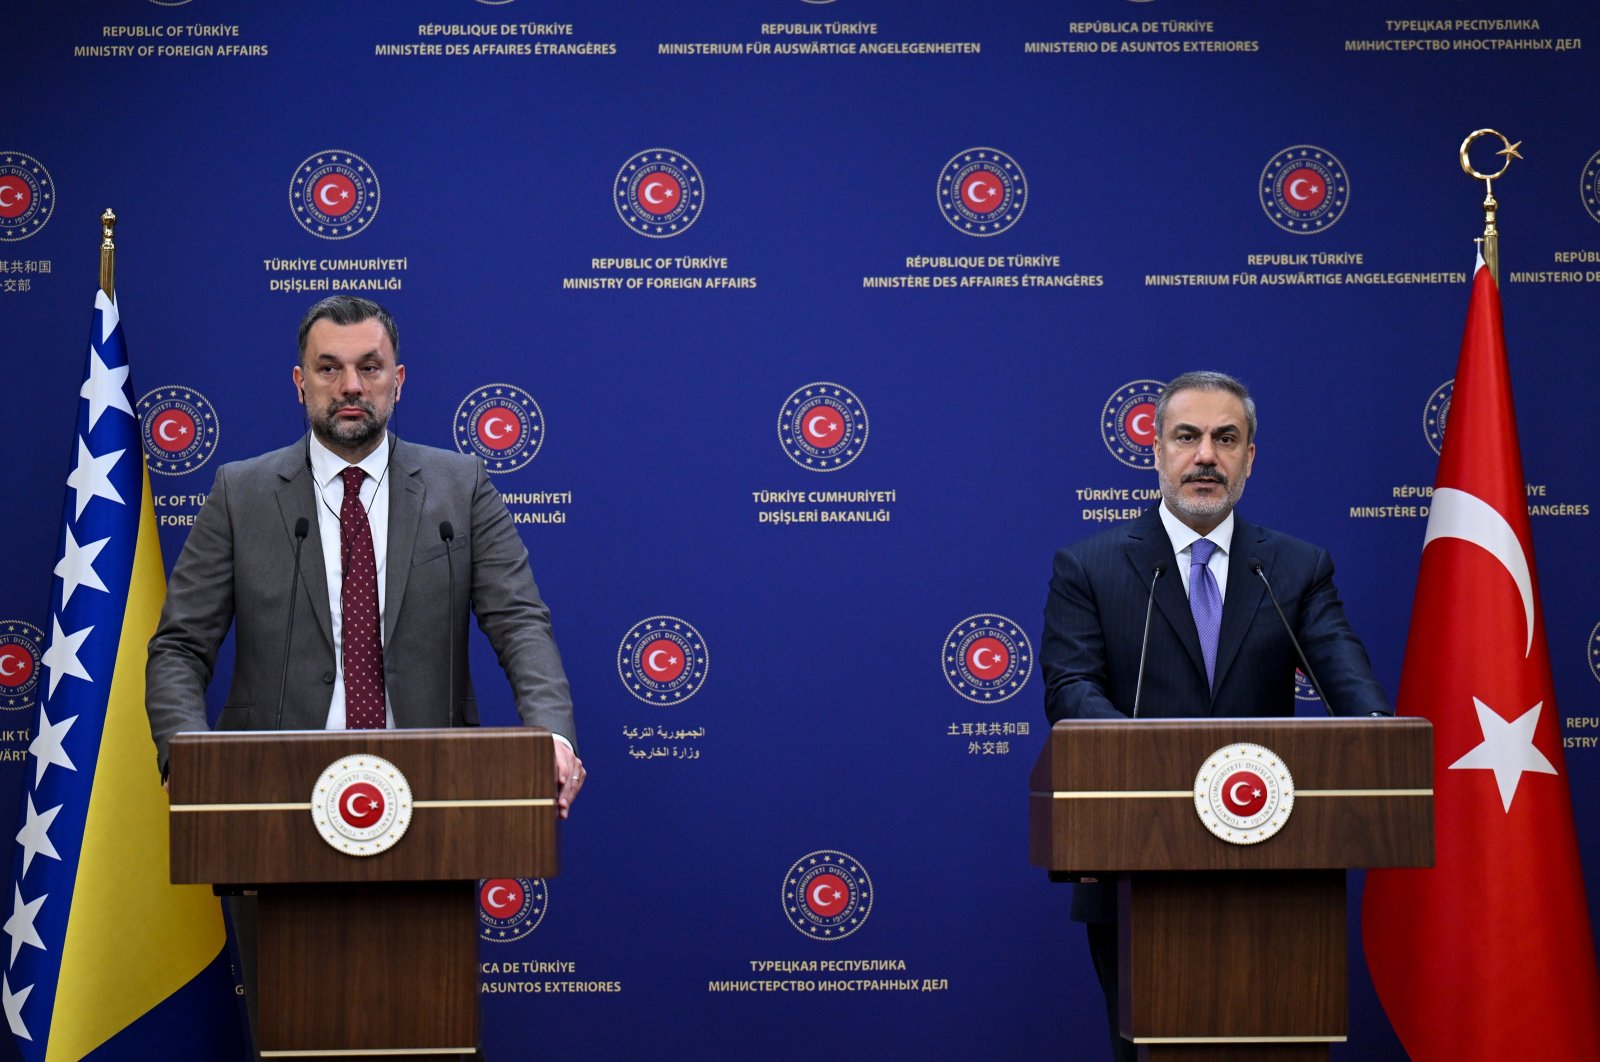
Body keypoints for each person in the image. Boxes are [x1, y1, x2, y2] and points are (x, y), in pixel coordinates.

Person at [1040, 370, 1389, 1061]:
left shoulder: (1293, 568)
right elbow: (1072, 693)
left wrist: (1381, 735)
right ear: (1158, 452)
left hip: (1279, 872)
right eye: (1187, 437)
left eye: (1226, 439)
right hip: (1135, 869)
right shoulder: (1089, 567)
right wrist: (1154, 778)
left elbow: (1355, 694)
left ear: (1249, 458)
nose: (1206, 456)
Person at [146, 295, 581, 802]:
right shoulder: (240, 494)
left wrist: (552, 733)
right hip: (270, 789)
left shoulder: (461, 487)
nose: (350, 386)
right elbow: (180, 646)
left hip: (431, 787)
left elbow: (519, 621)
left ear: (397, 381)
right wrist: (187, 751)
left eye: (369, 367)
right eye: (329, 368)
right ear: (300, 382)